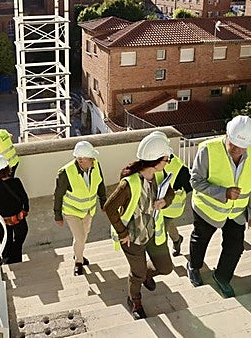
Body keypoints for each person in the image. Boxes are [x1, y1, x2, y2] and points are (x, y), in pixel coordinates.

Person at [104, 132, 178, 320]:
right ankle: (134, 300)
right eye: (166, 159)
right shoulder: (129, 183)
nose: (167, 162)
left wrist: (165, 201)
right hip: (132, 238)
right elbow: (109, 208)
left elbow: (170, 192)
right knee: (136, 274)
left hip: (153, 234)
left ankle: (145, 275)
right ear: (155, 160)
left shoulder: (159, 175)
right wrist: (122, 232)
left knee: (166, 267)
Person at [187, 115, 251, 299]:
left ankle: (222, 277)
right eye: (233, 144)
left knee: (235, 247)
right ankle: (194, 266)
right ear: (226, 134)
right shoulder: (208, 149)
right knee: (200, 240)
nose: (236, 149)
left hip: (237, 213)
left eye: (241, 147)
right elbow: (195, 181)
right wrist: (223, 193)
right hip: (207, 210)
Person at [53, 140, 107, 276]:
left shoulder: (96, 166)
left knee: (83, 236)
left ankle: (78, 253)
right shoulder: (65, 173)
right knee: (80, 238)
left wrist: (103, 202)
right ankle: (78, 262)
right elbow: (58, 195)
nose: (94, 160)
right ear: (81, 160)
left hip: (88, 210)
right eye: (91, 158)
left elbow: (100, 184)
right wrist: (58, 216)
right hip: (72, 212)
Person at [148, 131, 192, 257]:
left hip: (171, 209)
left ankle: (162, 261)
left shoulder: (180, 168)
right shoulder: (153, 161)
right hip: (157, 207)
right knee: (167, 225)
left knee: (161, 232)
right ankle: (177, 239)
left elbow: (189, 188)